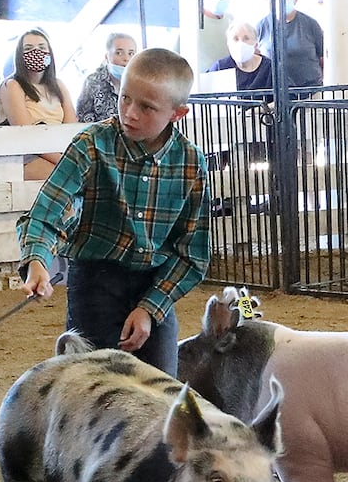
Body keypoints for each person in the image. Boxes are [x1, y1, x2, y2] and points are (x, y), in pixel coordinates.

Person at [18, 48, 209, 379]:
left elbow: (192, 253)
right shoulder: (92, 144)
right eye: (125, 98)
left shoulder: (191, 163)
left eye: (146, 107)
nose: (130, 113)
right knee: (88, 388)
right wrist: (37, 260)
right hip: (94, 280)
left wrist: (151, 307)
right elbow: (47, 209)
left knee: (159, 394)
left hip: (155, 283)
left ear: (177, 114)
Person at [0, 30, 75, 181]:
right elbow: (26, 133)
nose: (36, 52)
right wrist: (63, 161)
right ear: (19, 55)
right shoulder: (12, 85)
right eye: (28, 49)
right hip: (25, 153)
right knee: (64, 180)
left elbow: (70, 127)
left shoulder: (59, 85)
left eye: (41, 48)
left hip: (58, 149)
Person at [256, 0, 326, 88]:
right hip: (274, 95)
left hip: (311, 93)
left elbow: (324, 60)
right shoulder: (261, 26)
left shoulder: (311, 24)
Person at [76, 32, 137, 122]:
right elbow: (82, 117)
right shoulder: (92, 82)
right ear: (107, 57)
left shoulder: (140, 83)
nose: (126, 58)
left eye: (131, 53)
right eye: (119, 53)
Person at [208, 20, 275, 90]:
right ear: (228, 45)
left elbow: (284, 97)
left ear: (256, 44)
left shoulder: (271, 68)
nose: (241, 43)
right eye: (235, 39)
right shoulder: (220, 67)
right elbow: (205, 96)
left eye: (246, 38)